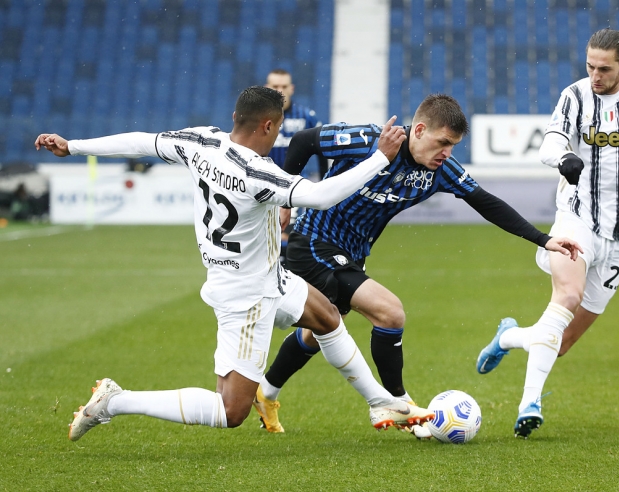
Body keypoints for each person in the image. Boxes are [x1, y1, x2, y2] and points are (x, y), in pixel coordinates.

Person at [34, 86, 433, 441]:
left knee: (328, 317)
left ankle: (383, 403)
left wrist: (74, 146)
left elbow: (142, 141)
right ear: (266, 126)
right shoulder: (258, 173)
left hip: (267, 276)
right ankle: (115, 401)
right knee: (231, 411)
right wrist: (381, 157)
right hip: (245, 296)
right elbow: (323, 195)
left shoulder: (201, 141)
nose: (278, 137)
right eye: (277, 129)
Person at [252, 93, 583, 436]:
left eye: (453, 146)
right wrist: (284, 198)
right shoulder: (369, 139)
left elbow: (486, 202)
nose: (447, 153)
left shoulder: (439, 171)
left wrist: (543, 239)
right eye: (443, 143)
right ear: (420, 130)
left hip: (352, 253)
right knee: (390, 312)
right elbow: (305, 140)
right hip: (313, 243)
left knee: (317, 329)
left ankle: (267, 392)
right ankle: (399, 404)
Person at [475, 29, 619, 438]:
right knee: (568, 296)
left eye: (604, 69)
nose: (595, 75)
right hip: (577, 218)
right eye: (590, 66)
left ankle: (509, 337)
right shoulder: (575, 95)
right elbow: (548, 144)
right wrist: (564, 157)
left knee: (560, 343)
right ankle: (529, 403)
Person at [265, 69, 325, 264]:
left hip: (295, 190)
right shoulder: (258, 117)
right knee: (267, 243)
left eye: (284, 86)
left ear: (291, 89)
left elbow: (323, 151)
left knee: (288, 241)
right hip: (264, 188)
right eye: (275, 86)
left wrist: (325, 182)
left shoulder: (306, 117)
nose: (280, 91)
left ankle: (288, 285)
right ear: (267, 88)